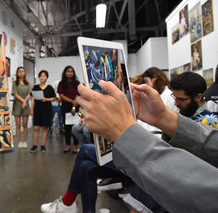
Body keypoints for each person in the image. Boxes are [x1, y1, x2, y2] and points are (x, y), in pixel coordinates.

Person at [76, 81, 218, 213]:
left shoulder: (208, 119)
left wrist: (123, 131)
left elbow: (209, 195)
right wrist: (162, 117)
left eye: (180, 99)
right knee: (85, 166)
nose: (175, 103)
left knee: (85, 156)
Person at [124, 72, 218, 213]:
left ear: (198, 97)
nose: (175, 103)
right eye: (174, 98)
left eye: (180, 99)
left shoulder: (209, 123)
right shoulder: (185, 115)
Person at [30, 70, 56, 153]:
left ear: (47, 77)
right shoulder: (35, 87)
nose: (42, 77)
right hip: (37, 108)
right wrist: (31, 109)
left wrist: (46, 99)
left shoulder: (50, 87)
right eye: (41, 76)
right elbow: (33, 98)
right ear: (39, 77)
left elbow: (53, 98)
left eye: (44, 76)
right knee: (36, 127)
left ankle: (43, 145)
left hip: (47, 108)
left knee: (45, 127)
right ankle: (34, 145)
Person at [58, 66, 80, 153]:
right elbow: (61, 96)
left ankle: (75, 147)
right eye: (68, 71)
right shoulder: (61, 83)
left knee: (76, 127)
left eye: (71, 71)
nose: (70, 73)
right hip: (65, 107)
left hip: (76, 106)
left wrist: (74, 105)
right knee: (66, 127)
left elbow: (79, 94)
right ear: (65, 73)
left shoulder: (77, 83)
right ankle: (68, 146)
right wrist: (72, 101)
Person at [11, 66, 31, 149]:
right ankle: (19, 142)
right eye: (20, 71)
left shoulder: (28, 83)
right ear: (17, 73)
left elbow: (29, 93)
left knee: (25, 124)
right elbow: (15, 94)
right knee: (18, 125)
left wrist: (25, 102)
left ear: (24, 73)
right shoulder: (15, 83)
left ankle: (25, 141)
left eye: (23, 71)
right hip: (18, 105)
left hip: (25, 105)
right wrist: (23, 101)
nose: (21, 73)